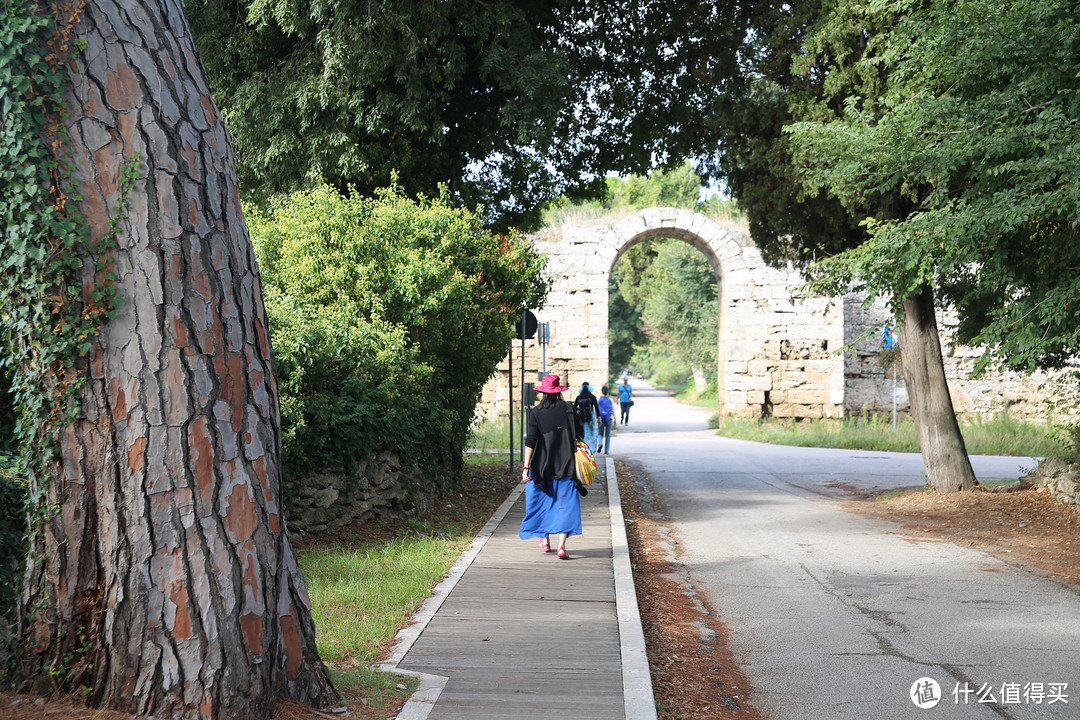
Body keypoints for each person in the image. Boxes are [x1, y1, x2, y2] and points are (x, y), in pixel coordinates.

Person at [520, 374, 583, 560]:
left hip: (541, 465)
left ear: (542, 392)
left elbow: (530, 441)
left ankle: (545, 540)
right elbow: (580, 434)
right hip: (567, 465)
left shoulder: (536, 412)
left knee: (541, 501)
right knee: (566, 504)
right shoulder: (570, 409)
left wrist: (526, 467)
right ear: (559, 391)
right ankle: (562, 546)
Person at [574, 382, 600, 457]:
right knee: (592, 433)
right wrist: (599, 417)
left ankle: (583, 449)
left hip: (581, 418)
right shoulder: (592, 397)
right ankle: (591, 449)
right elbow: (596, 408)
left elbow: (575, 408)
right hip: (590, 418)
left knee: (583, 433)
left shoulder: (579, 397)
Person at [597, 385, 614, 454]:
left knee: (600, 433)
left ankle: (600, 443)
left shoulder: (598, 399)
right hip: (609, 418)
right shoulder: (610, 399)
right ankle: (606, 450)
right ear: (608, 392)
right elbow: (613, 409)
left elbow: (596, 409)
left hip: (601, 418)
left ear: (602, 391)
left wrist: (598, 417)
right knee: (608, 435)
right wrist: (615, 418)